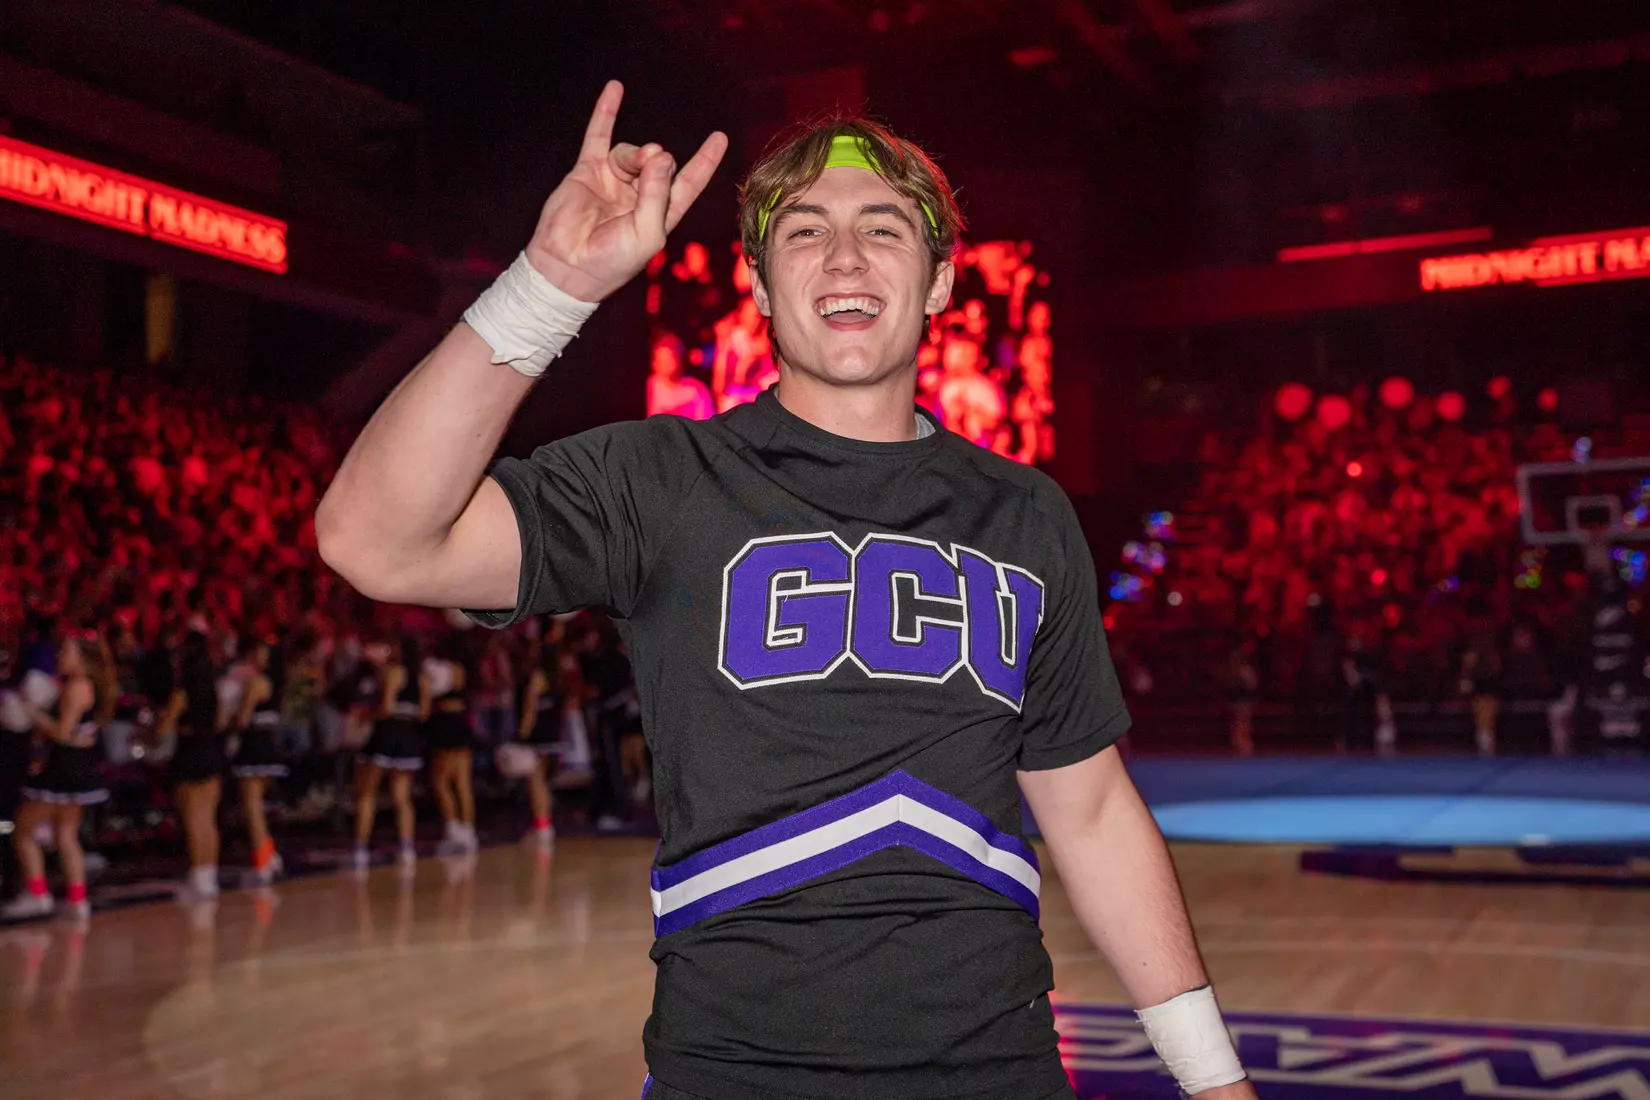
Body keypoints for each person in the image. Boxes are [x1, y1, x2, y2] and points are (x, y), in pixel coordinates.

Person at [317, 82, 1251, 1100]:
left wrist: (1210, 1075)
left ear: (941, 280)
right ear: (758, 286)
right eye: (804, 231)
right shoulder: (661, 479)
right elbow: (374, 541)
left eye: (882, 229)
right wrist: (549, 285)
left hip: (999, 1069)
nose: (844, 258)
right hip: (731, 1073)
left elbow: (1093, 810)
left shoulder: (1026, 514)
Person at [2, 630, 115, 922]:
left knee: (22, 831)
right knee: (66, 834)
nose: (60, 658)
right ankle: (77, 900)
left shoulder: (76, 687)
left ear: (83, 658)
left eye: (67, 652)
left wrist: (32, 712)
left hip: (63, 767)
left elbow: (63, 733)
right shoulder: (89, 685)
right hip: (79, 765)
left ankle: (38, 895)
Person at [352, 636, 426, 871]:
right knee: (402, 797)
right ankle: (407, 848)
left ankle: (360, 849)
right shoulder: (422, 679)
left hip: (387, 733)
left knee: (367, 793)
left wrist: (368, 716)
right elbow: (423, 713)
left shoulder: (393, 673)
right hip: (409, 735)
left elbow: (386, 707)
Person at [165, 630, 226, 903]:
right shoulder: (214, 690)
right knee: (208, 819)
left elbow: (163, 727)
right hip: (211, 749)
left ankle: (197, 877)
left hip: (189, 752)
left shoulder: (182, 694)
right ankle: (207, 877)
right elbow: (221, 722)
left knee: (193, 819)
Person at [228, 638, 288, 885]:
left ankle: (262, 861)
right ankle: (269, 854)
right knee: (256, 805)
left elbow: (242, 719)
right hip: (267, 743)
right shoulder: (276, 683)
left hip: (254, 744)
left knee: (251, 807)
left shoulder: (257, 682)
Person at [424, 637, 478, 855]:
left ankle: (453, 829)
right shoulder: (462, 670)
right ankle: (468, 832)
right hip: (460, 723)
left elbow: (431, 696)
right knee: (463, 783)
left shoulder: (440, 670)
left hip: (446, 723)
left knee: (440, 781)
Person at [516, 630, 566, 847]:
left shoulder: (537, 676)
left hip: (538, 734)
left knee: (536, 783)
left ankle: (543, 827)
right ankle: (544, 824)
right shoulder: (557, 675)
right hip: (552, 730)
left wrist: (522, 734)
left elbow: (530, 709)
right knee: (542, 781)